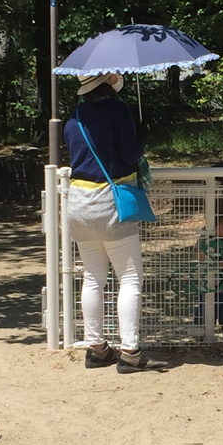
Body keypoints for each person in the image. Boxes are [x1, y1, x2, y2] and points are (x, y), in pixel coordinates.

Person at [63, 72, 167, 373]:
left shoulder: (74, 118)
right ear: (108, 86)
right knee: (130, 278)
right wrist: (142, 135)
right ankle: (130, 352)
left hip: (78, 204)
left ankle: (97, 349)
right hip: (110, 204)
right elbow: (130, 153)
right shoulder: (119, 111)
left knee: (93, 277)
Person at [193, 199, 223, 341]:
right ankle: (202, 340)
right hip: (206, 284)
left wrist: (217, 260)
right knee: (204, 312)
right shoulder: (204, 237)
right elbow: (199, 255)